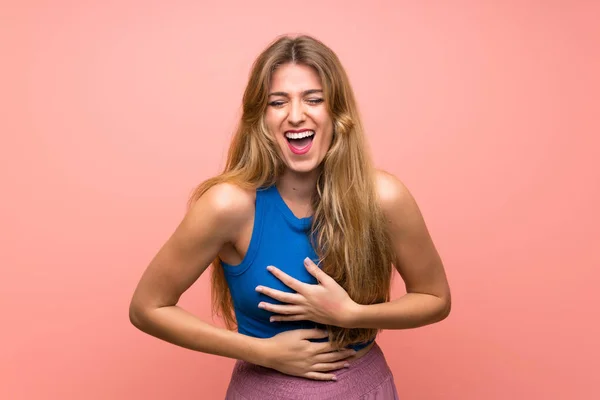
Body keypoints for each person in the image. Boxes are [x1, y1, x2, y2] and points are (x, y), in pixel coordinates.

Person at [129, 34, 451, 399]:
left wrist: (350, 314)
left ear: (338, 113)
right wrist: (263, 352)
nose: (296, 115)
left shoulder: (384, 197)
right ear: (260, 118)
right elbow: (147, 308)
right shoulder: (228, 205)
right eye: (277, 102)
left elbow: (435, 298)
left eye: (313, 99)